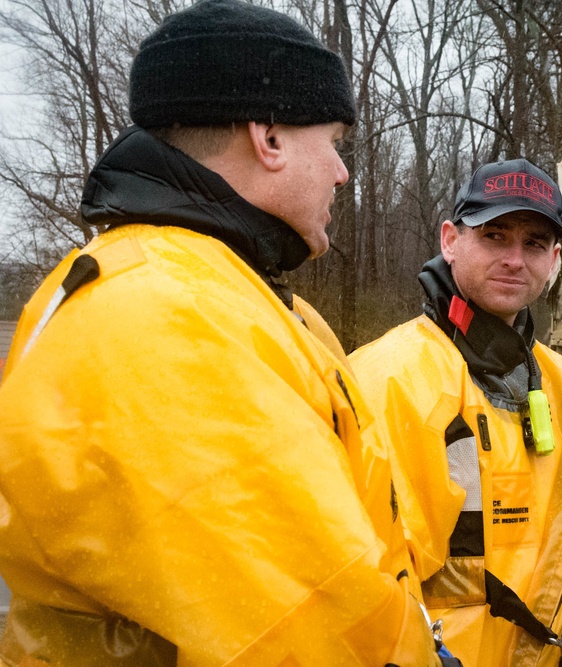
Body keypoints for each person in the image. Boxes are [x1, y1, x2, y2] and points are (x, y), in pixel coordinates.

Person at [0, 1, 456, 665]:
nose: (342, 171)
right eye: (331, 142)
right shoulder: (167, 315)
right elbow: (299, 629)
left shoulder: (237, 298)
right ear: (268, 137)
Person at [349, 159, 562, 666]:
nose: (514, 259)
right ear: (450, 240)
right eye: (494, 236)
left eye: (533, 244)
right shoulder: (393, 380)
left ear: (554, 260)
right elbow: (371, 572)